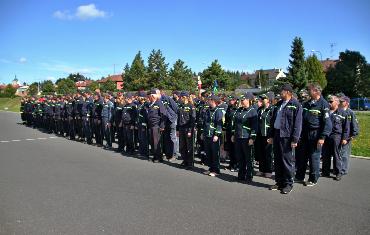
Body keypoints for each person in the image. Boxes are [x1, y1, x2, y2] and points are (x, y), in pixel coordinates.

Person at [268, 84, 302, 194]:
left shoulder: (295, 104)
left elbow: (298, 124)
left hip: (287, 136)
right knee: (277, 159)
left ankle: (288, 184)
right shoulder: (279, 104)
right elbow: (273, 121)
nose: (279, 93)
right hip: (277, 134)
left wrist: (295, 139)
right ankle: (279, 182)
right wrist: (271, 135)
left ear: (287, 92)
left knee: (287, 161)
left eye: (281, 91)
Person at [295, 83, 332, 187]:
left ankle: (313, 179)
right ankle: (299, 176)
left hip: (316, 134)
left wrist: (322, 137)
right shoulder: (307, 103)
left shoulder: (323, 104)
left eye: (310, 90)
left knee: (314, 157)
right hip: (305, 134)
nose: (308, 92)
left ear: (316, 91)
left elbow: (327, 123)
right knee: (302, 156)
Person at [322, 95, 350, 181]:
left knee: (336, 154)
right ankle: (325, 171)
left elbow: (346, 127)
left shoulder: (342, 113)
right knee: (325, 154)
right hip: (326, 135)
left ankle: (338, 172)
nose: (329, 103)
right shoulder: (326, 111)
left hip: (336, 136)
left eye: (331, 101)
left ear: (337, 102)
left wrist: (345, 138)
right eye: (328, 101)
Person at [231, 92, 258, 182]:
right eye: (241, 100)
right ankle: (241, 175)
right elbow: (235, 124)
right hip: (238, 137)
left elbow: (255, 126)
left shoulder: (253, 111)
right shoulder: (239, 110)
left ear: (249, 100)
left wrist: (252, 138)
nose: (242, 101)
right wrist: (233, 134)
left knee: (248, 158)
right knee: (240, 157)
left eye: (243, 100)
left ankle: (249, 176)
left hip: (247, 138)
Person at [202, 94, 224, 177]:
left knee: (215, 153)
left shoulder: (218, 111)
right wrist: (203, 133)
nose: (208, 101)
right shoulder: (208, 110)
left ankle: (216, 170)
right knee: (209, 153)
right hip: (207, 134)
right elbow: (205, 122)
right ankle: (211, 168)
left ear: (214, 101)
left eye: (210, 100)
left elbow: (219, 124)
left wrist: (217, 134)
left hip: (214, 136)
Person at [255, 93, 275, 178]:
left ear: (269, 100)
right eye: (261, 99)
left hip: (268, 134)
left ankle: (268, 170)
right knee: (261, 152)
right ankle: (261, 169)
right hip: (260, 134)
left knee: (268, 153)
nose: (261, 100)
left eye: (264, 99)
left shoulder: (272, 110)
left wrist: (272, 135)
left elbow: (273, 123)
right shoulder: (259, 109)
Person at [339, 96, 359, 174]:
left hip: (347, 137)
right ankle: (338, 168)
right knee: (339, 153)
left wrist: (352, 135)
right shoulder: (339, 111)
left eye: (342, 102)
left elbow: (355, 125)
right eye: (340, 101)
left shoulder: (350, 112)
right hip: (339, 136)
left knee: (344, 153)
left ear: (347, 103)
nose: (340, 103)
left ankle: (343, 170)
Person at [177, 91, 196, 169]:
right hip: (181, 128)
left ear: (185, 97)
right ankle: (185, 160)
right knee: (182, 146)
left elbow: (193, 120)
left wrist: (190, 131)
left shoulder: (191, 106)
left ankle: (190, 163)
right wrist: (177, 129)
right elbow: (179, 118)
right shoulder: (181, 106)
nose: (180, 98)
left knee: (189, 147)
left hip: (188, 129)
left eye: (181, 97)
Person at [147, 89, 167, 163]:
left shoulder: (159, 103)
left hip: (156, 126)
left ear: (153, 96)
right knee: (152, 142)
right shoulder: (151, 104)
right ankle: (155, 156)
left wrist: (162, 126)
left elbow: (163, 115)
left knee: (156, 142)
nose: (148, 98)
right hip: (151, 125)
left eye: (149, 96)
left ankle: (158, 157)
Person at [224, 95, 239, 171]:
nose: (230, 101)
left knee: (235, 148)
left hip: (235, 131)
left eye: (232, 100)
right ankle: (231, 164)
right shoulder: (229, 108)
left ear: (235, 100)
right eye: (229, 100)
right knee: (230, 148)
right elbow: (226, 119)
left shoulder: (238, 109)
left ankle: (236, 165)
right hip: (229, 130)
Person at [137, 91, 150, 159]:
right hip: (139, 123)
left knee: (144, 139)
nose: (138, 97)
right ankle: (141, 151)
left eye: (139, 96)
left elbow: (146, 116)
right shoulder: (139, 104)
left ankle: (145, 153)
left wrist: (144, 125)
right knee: (140, 138)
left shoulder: (146, 104)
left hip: (144, 124)